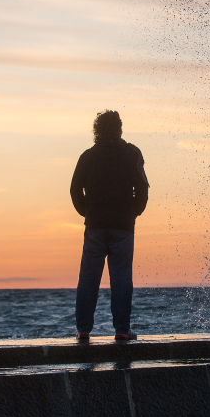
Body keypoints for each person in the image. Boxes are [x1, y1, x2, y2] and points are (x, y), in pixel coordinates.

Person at [69, 110, 148, 341]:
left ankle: (83, 329)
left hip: (95, 225)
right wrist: (133, 212)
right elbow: (142, 189)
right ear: (119, 128)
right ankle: (122, 330)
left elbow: (75, 190)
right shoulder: (132, 154)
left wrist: (88, 213)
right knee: (122, 277)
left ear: (97, 130)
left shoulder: (88, 156)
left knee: (88, 277)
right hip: (122, 226)